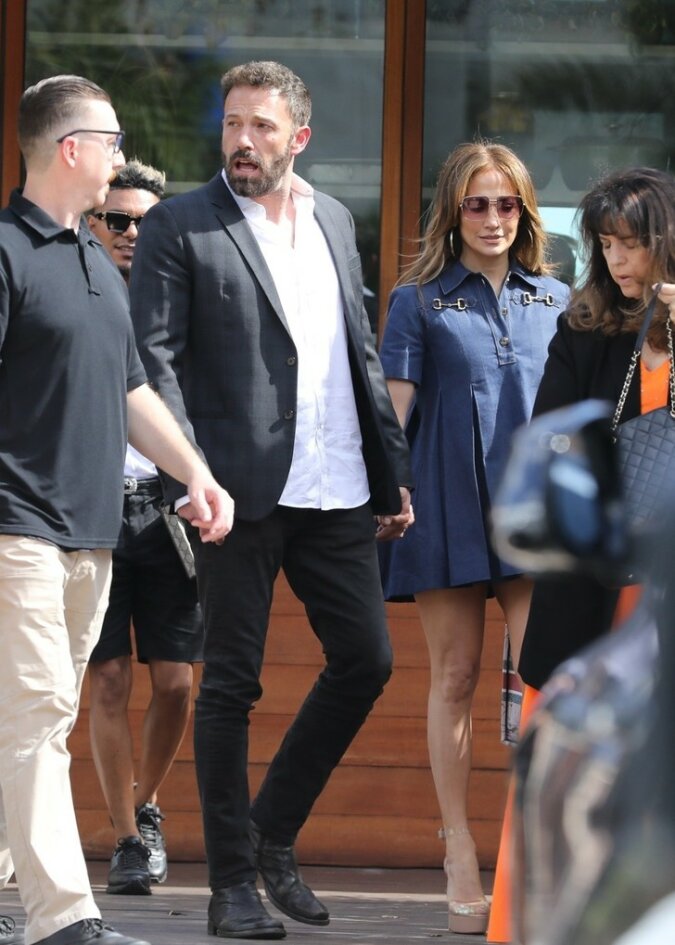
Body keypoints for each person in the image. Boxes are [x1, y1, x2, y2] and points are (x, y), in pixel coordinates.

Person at [129, 60, 414, 941]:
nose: (242, 141)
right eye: (232, 124)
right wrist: (189, 475)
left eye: (260, 125)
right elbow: (153, 362)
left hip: (337, 485)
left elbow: (357, 350)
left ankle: (269, 832)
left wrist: (389, 469)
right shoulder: (181, 223)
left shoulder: (334, 218)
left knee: (365, 659)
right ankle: (231, 884)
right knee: (231, 684)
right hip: (232, 491)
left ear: (299, 136)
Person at [0, 75, 233, 945]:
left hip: (89, 532)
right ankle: (63, 916)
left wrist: (195, 473)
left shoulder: (96, 261)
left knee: (39, 720)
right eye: (111, 139)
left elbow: (132, 389)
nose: (119, 153)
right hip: (16, 527)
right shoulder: (5, 254)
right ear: (71, 148)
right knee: (35, 720)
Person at [377, 140, 569, 935]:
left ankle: (537, 854)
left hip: (536, 515)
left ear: (524, 210)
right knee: (453, 677)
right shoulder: (415, 300)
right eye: (476, 204)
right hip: (445, 504)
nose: (492, 218)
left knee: (547, 681)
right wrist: (387, 491)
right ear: (452, 213)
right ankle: (457, 850)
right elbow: (392, 416)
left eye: (505, 203)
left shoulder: (560, 298)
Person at [488, 165, 675, 943]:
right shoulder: (587, 324)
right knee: (566, 753)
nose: (617, 259)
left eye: (632, 242)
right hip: (600, 574)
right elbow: (555, 434)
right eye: (606, 243)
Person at [86, 160, 203, 896]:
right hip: (90, 507)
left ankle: (146, 801)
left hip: (168, 509)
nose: (132, 233)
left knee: (176, 681)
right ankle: (127, 837)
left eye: (147, 222)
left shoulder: (185, 301)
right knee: (107, 678)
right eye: (118, 219)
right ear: (93, 224)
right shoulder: (73, 294)